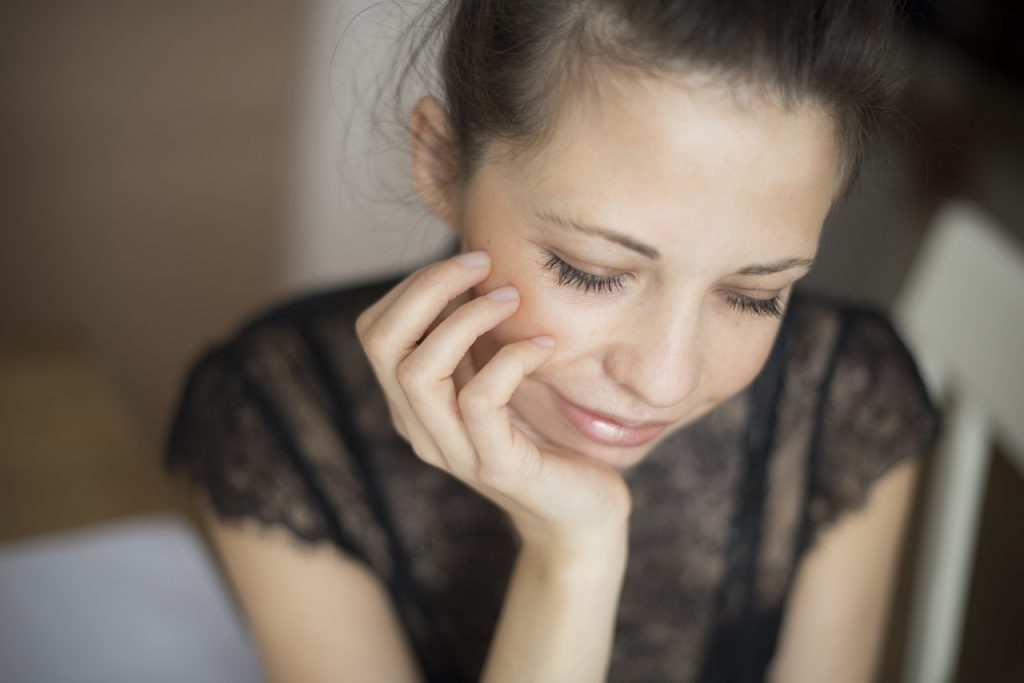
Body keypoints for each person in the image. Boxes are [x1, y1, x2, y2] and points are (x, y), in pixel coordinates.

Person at [164, 1, 939, 681]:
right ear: (440, 162)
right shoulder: (281, 420)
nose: (664, 380)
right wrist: (574, 556)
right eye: (591, 271)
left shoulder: (844, 402)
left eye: (753, 295)